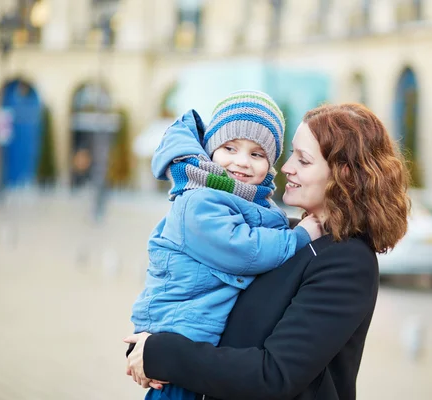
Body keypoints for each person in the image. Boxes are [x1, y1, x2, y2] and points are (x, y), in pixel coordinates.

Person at [125, 103, 410, 400]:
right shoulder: (281, 235)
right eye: (290, 156)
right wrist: (150, 341)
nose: (286, 168)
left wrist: (162, 353)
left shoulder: (348, 262)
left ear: (344, 174)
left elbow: (274, 375)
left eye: (303, 160)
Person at [130, 90, 323, 400]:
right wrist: (300, 236)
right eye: (230, 148)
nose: (241, 162)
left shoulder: (248, 200)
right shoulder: (199, 201)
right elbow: (245, 251)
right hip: (179, 342)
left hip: (197, 346)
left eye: (257, 154)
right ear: (210, 150)